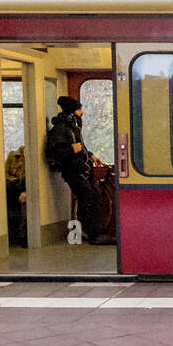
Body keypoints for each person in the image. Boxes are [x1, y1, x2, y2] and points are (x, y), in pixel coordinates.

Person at [45, 95, 114, 244]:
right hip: (73, 171)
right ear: (73, 111)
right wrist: (71, 149)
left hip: (83, 169)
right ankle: (94, 234)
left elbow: (80, 147)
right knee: (87, 200)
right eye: (79, 109)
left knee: (94, 198)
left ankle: (96, 232)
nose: (82, 112)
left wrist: (90, 155)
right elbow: (54, 152)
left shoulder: (72, 127)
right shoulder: (61, 129)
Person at [5, 147, 27, 247]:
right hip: (13, 189)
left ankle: (22, 235)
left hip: (20, 192)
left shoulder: (25, 175)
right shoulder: (12, 156)